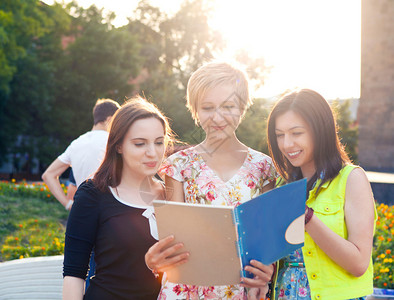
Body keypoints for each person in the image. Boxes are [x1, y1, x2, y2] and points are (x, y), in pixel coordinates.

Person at [145, 61, 277, 299]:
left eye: (228, 106)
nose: (217, 117)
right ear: (195, 110)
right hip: (189, 287)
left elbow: (266, 238)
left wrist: (266, 271)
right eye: (207, 107)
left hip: (243, 287)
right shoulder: (179, 165)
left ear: (242, 107)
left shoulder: (263, 167)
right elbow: (174, 237)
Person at [266, 89, 376, 300]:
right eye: (280, 135)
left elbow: (359, 263)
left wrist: (306, 217)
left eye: (296, 133)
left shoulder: (351, 179)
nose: (287, 144)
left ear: (320, 130)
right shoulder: (279, 185)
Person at [63, 96, 174, 300]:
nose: (153, 153)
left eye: (159, 142)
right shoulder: (93, 194)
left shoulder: (173, 194)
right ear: (118, 146)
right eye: (140, 144)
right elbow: (73, 273)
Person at [42, 98, 120, 210]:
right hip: (108, 210)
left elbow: (48, 175)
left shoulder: (76, 143)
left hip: (83, 208)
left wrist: (68, 204)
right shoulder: (112, 142)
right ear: (109, 120)